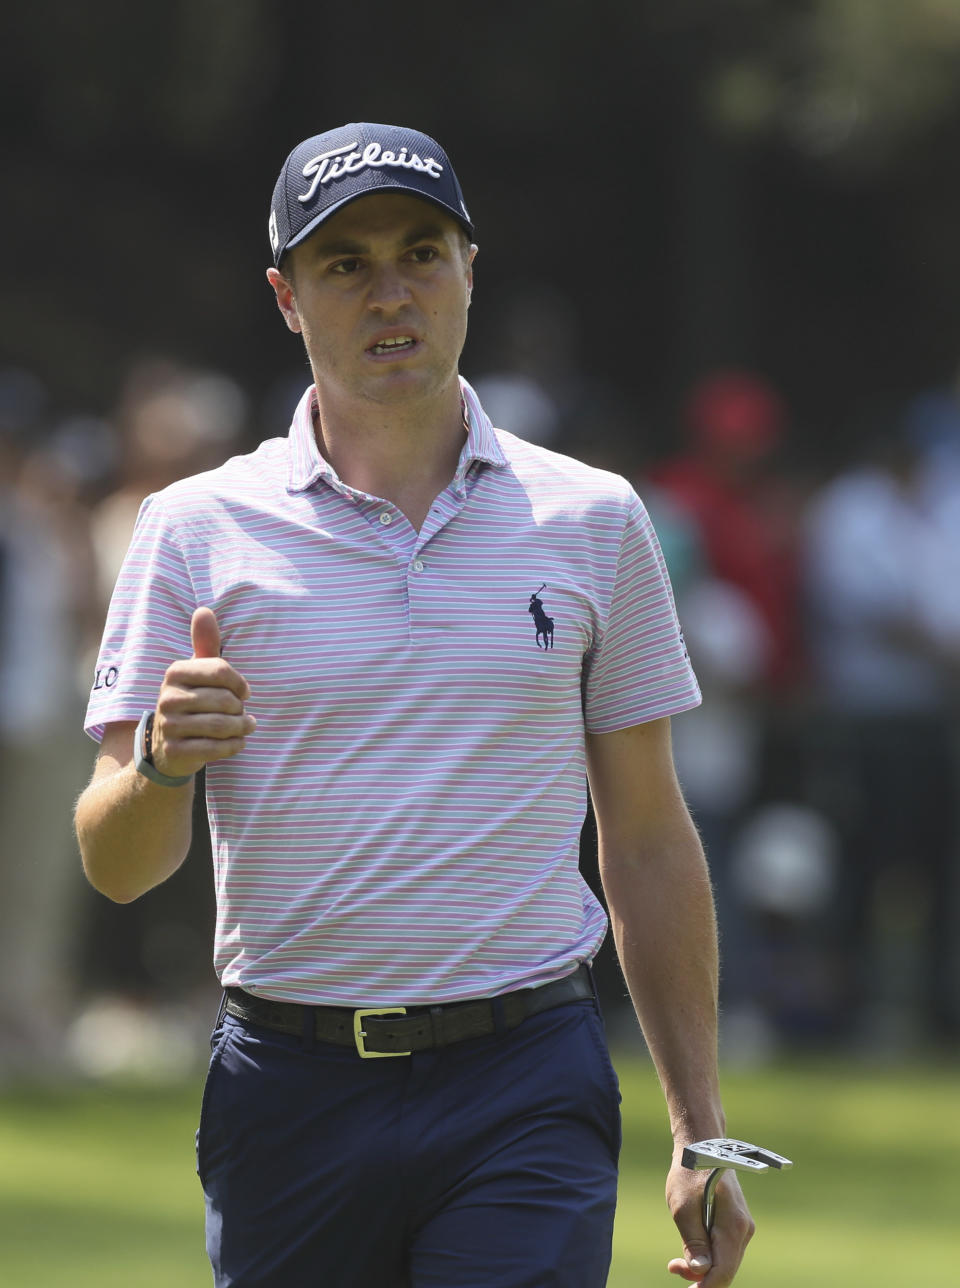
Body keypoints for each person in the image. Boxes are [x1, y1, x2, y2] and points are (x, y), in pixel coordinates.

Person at [75, 122, 755, 1287]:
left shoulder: (595, 519)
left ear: (470, 271)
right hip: (288, 1083)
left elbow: (644, 833)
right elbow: (118, 860)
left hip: (523, 1077)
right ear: (289, 298)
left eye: (421, 253)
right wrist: (161, 767)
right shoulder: (193, 528)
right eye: (346, 265)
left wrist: (700, 1125)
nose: (392, 293)